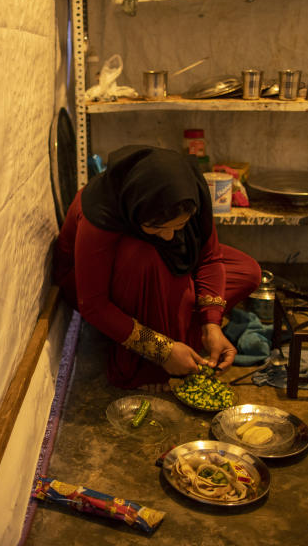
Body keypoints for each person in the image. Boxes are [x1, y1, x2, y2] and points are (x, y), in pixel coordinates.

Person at [52, 145, 261, 391]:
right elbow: (93, 304)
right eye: (156, 228)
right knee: (151, 261)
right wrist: (161, 350)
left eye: (180, 225)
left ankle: (179, 328)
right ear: (137, 211)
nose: (170, 237)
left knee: (247, 271)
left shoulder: (189, 193)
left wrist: (211, 323)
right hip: (96, 280)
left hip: (150, 266)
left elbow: (209, 259)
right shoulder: (100, 212)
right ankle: (146, 364)